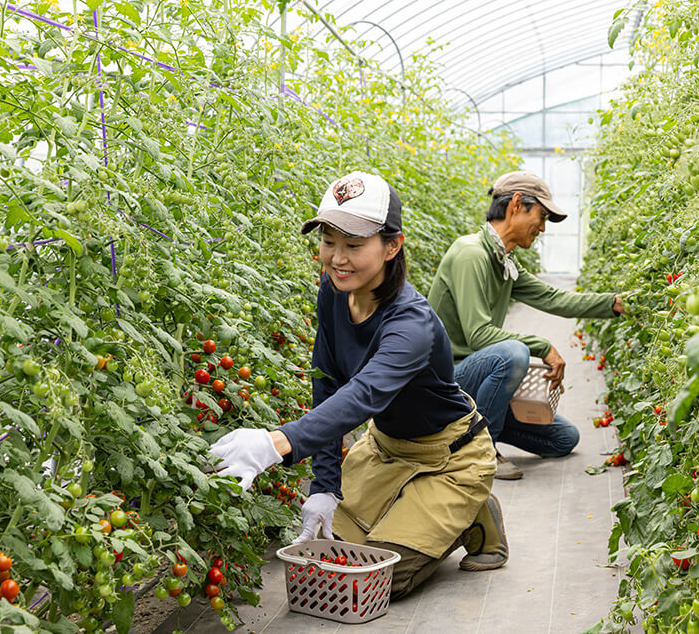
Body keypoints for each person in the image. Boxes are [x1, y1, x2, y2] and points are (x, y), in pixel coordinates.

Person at [209, 172, 508, 600]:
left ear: (392, 246)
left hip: (451, 457)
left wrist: (278, 442)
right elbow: (328, 382)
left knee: (376, 581)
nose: (337, 258)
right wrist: (325, 485)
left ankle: (473, 512)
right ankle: (429, 512)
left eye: (353, 245)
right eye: (329, 241)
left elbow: (364, 393)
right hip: (386, 447)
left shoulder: (411, 323)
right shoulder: (333, 291)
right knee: (330, 561)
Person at [427, 170, 625, 480]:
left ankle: (473, 431)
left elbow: (553, 298)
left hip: (475, 384)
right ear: (517, 204)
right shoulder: (471, 254)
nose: (543, 228)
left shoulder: (503, 261)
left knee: (564, 438)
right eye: (541, 216)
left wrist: (613, 304)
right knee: (514, 354)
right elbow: (479, 336)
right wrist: (543, 347)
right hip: (446, 384)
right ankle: (481, 452)